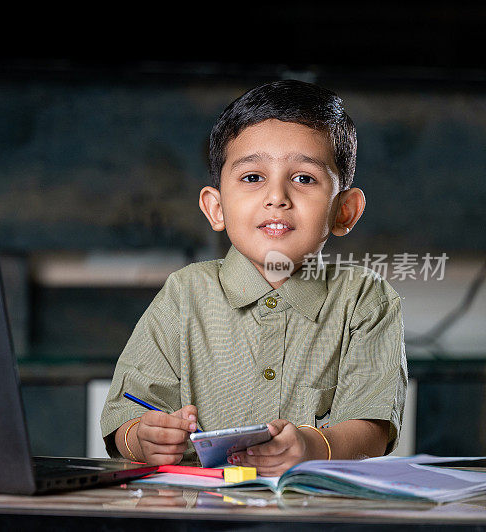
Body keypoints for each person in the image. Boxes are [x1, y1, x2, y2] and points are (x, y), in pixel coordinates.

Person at [100, 80, 408, 476]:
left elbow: (373, 429)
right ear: (216, 208)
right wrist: (142, 436)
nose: (276, 196)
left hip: (314, 511)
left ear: (344, 211)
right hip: (195, 508)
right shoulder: (185, 293)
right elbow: (126, 411)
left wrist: (314, 445)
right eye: (252, 178)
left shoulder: (366, 298)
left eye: (304, 178)